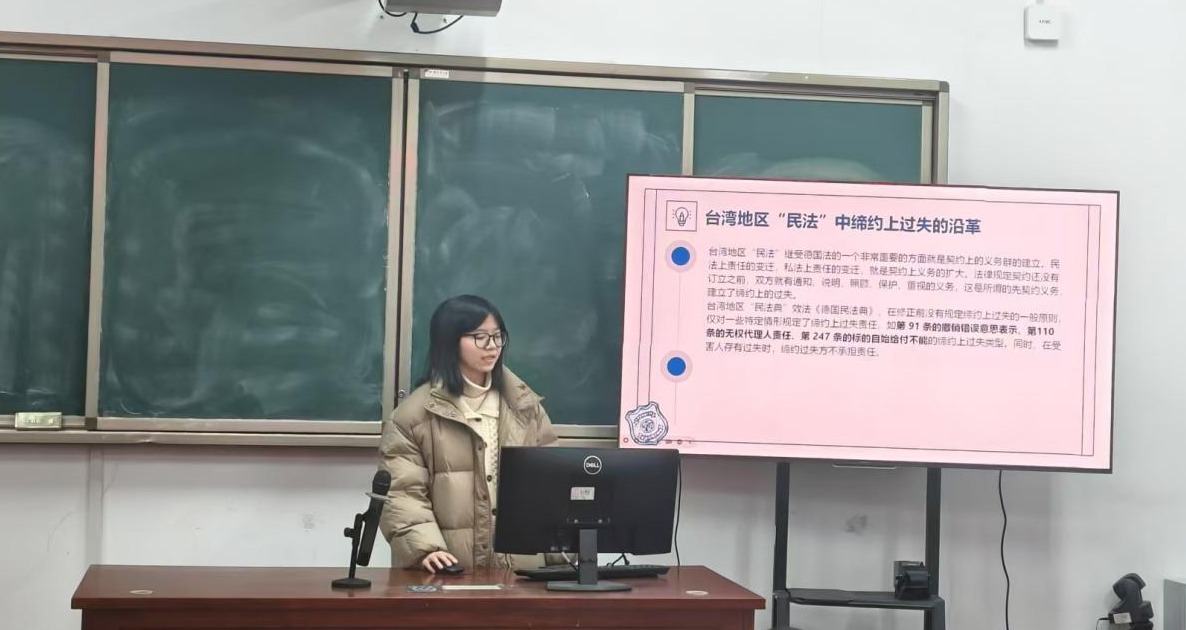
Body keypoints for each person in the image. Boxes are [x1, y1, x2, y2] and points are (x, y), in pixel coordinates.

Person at [379, 295, 558, 573]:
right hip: (450, 572)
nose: (492, 346)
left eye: (497, 337)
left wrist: (563, 552)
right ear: (450, 341)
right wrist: (425, 548)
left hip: (522, 571)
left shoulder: (525, 407)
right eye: (479, 337)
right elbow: (403, 492)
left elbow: (552, 485)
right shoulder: (413, 416)